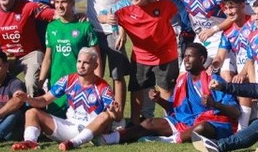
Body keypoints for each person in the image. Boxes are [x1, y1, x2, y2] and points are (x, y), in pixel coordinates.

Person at [98, 43, 240, 145]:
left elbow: (235, 112)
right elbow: (173, 107)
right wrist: (159, 100)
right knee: (148, 123)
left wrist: (213, 104)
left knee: (202, 127)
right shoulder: (182, 80)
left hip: (212, 124)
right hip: (182, 121)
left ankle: (173, 140)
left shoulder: (214, 81)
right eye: (185, 56)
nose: (186, 59)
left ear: (202, 59)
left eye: (190, 56)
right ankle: (111, 138)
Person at [100, 0, 178, 126]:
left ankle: (170, 123)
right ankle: (135, 124)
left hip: (166, 55)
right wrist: (107, 19)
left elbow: (180, 2)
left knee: (165, 90)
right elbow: (101, 14)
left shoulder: (162, 1)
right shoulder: (123, 6)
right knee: (137, 91)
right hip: (140, 56)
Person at [12, 47, 122, 152]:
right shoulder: (68, 80)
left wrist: (114, 113)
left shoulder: (103, 87)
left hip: (91, 130)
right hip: (69, 126)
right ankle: (30, 142)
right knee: (31, 113)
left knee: (105, 115)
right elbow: (45, 100)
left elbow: (116, 117)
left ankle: (73, 143)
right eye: (79, 61)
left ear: (95, 65)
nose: (81, 66)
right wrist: (29, 99)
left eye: (86, 63)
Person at [84, 0, 130, 115]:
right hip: (92, 29)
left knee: (117, 75)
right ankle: (97, 113)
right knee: (94, 75)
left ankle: (118, 115)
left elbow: (127, 1)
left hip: (113, 30)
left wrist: (122, 30)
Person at [40, 0, 100, 117]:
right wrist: (41, 80)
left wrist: (98, 82)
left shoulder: (85, 27)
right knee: (55, 123)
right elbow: (48, 57)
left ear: (72, 2)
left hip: (80, 83)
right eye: (57, 2)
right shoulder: (51, 27)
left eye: (64, 2)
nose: (60, 6)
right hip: (56, 82)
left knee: (79, 120)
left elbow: (97, 58)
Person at [210, 0, 256, 130]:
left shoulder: (254, 24)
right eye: (226, 8)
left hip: (256, 67)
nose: (229, 12)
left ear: (242, 6)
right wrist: (213, 65)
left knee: (242, 87)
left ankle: (241, 130)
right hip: (243, 69)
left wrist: (243, 73)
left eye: (232, 7)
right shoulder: (228, 31)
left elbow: (253, 55)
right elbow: (220, 55)